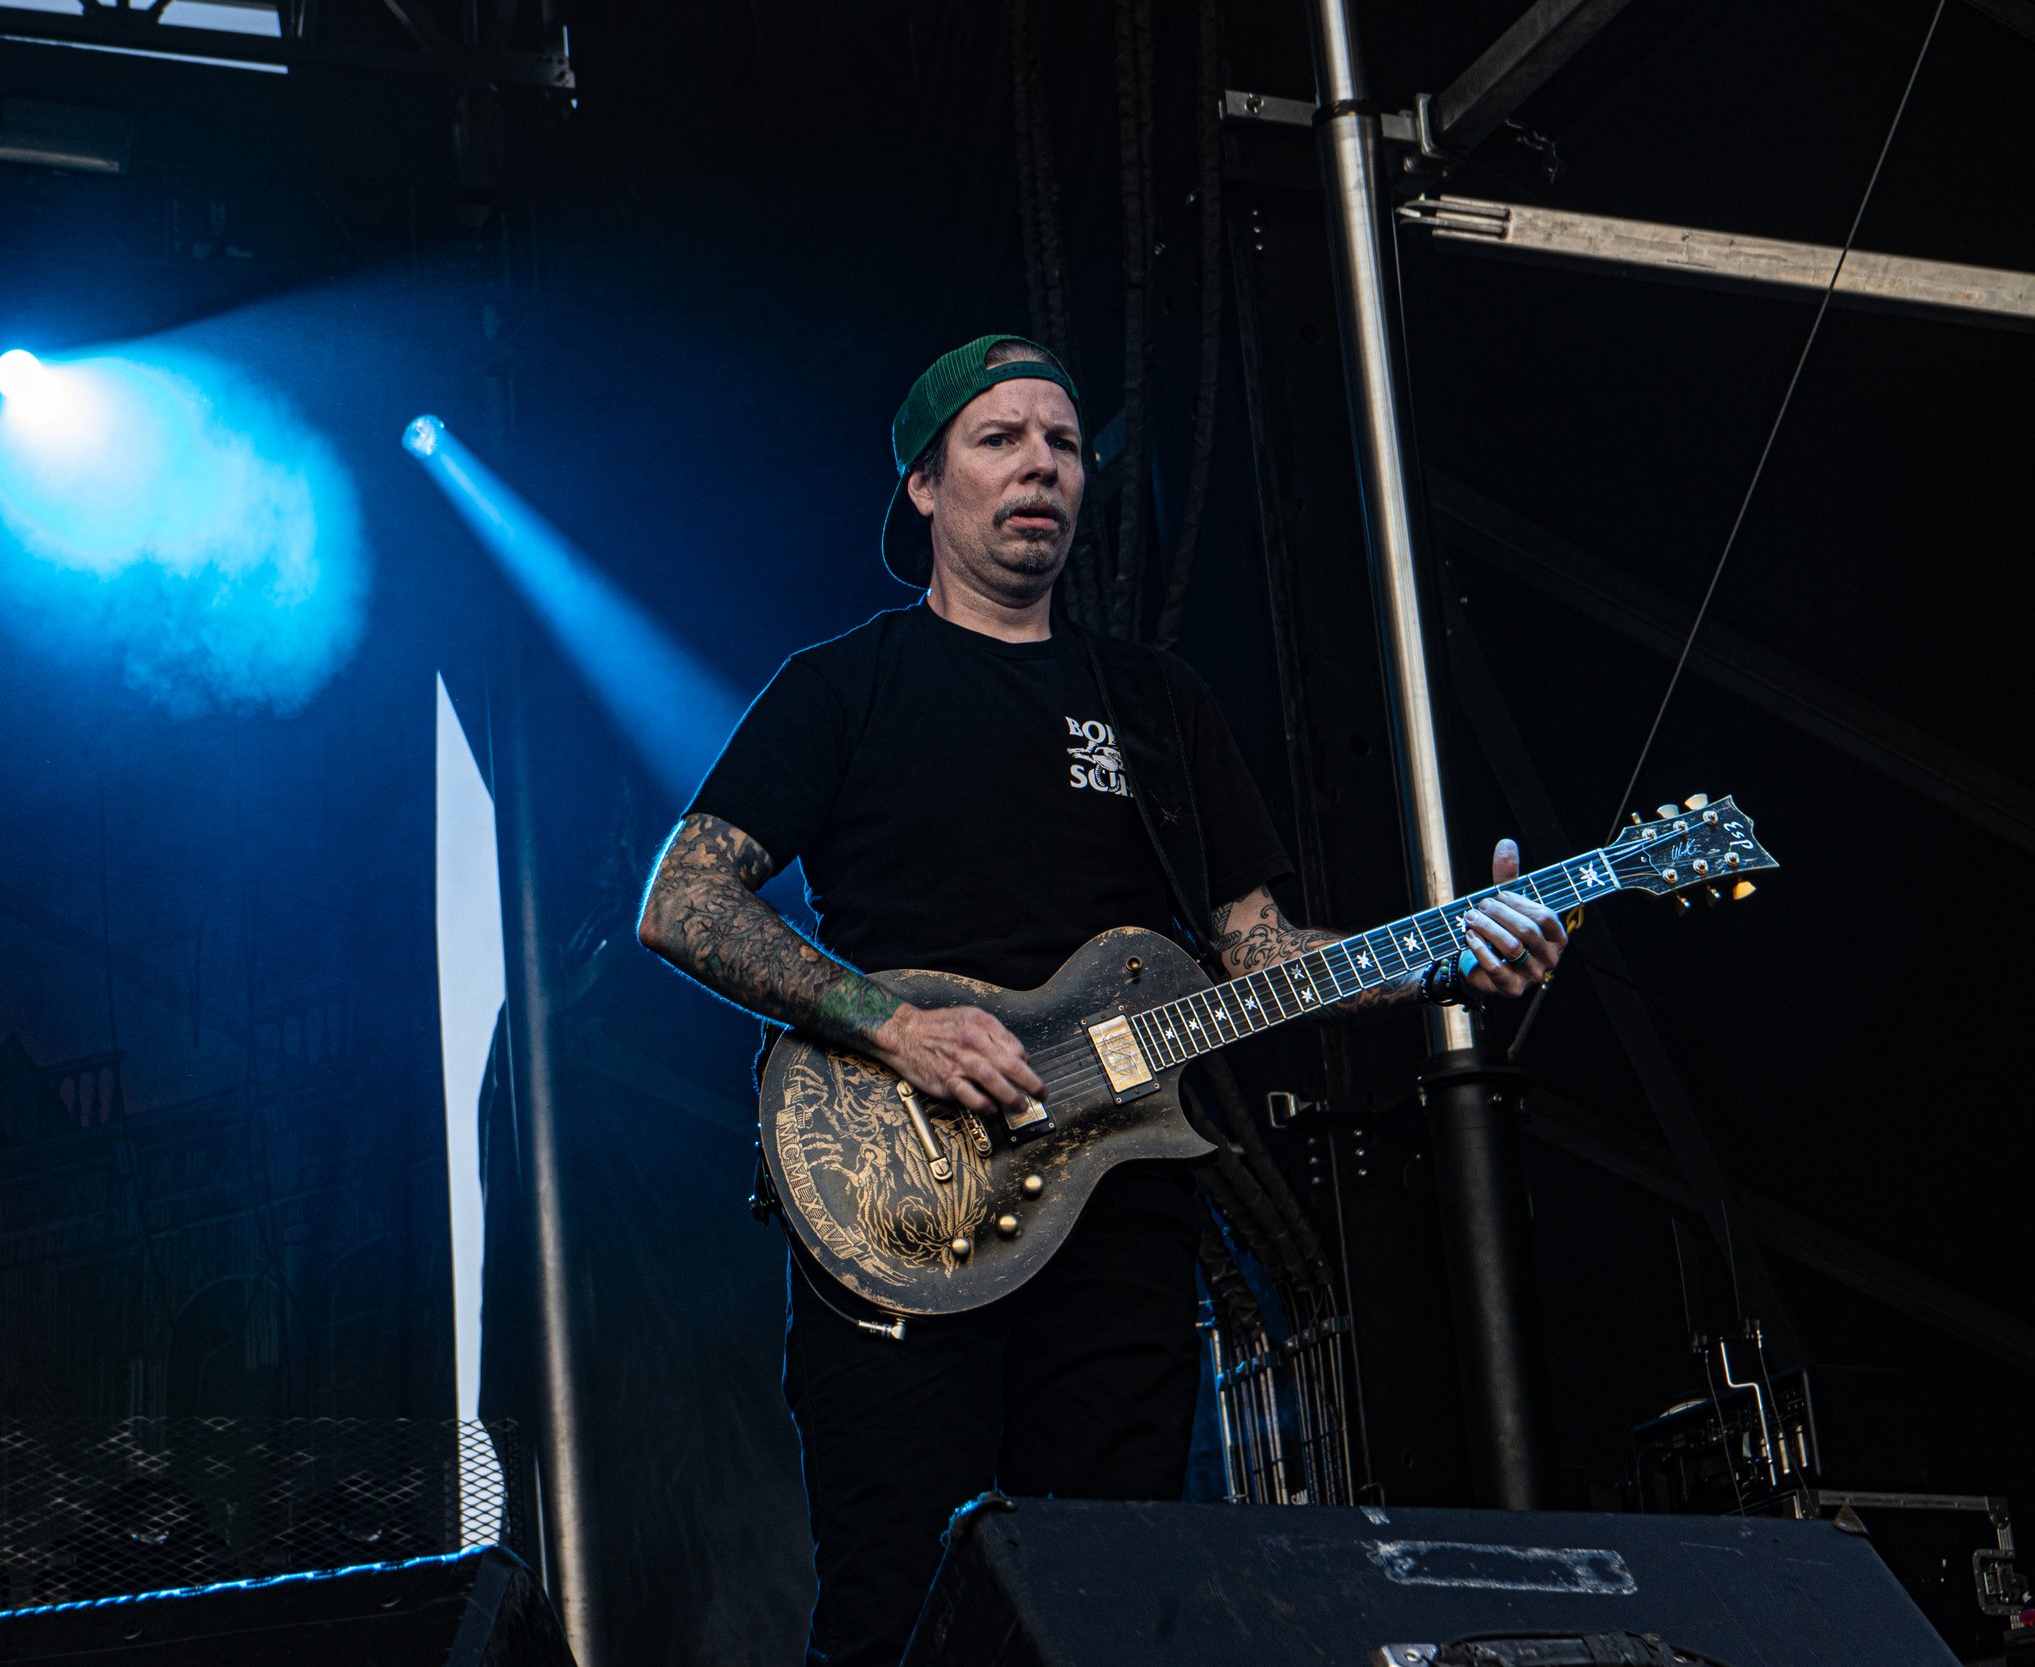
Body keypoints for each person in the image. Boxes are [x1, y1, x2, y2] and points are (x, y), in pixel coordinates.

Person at [634, 334, 1564, 1666]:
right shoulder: (845, 687)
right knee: (901, 1615)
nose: (1041, 469)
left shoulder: (1154, 705)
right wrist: (890, 1023)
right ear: (923, 484)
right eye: (1000, 439)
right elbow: (688, 901)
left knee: (1112, 1614)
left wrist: (1439, 954)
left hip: (1119, 1225)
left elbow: (1253, 949)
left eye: (1064, 445)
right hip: (901, 1206)